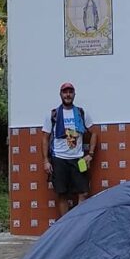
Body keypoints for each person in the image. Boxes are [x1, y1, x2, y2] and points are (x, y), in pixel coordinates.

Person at [44, 82, 96, 216]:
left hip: (79, 159)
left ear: (74, 94)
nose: (68, 95)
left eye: (70, 92)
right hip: (59, 159)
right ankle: (66, 226)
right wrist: (46, 160)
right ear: (60, 94)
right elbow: (45, 138)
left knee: (83, 192)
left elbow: (94, 133)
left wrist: (90, 154)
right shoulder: (54, 114)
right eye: (65, 92)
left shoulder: (81, 112)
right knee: (62, 194)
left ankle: (77, 224)